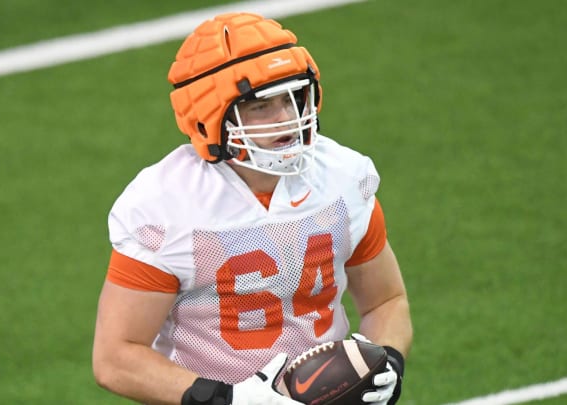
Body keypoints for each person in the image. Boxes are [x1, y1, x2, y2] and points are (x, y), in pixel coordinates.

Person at [92, 12, 412, 405]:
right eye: (261, 106)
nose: (287, 119)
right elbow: (116, 357)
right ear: (211, 115)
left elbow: (386, 302)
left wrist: (389, 362)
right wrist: (229, 399)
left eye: (293, 98)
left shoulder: (342, 179)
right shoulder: (166, 206)